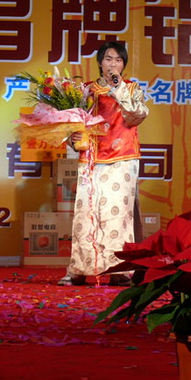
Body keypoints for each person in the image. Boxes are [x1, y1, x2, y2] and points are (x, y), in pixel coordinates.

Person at [58, 41, 149, 286]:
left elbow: (137, 115)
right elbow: (73, 123)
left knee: (117, 216)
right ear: (100, 62)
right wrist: (72, 138)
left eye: (118, 60)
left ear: (123, 65)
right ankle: (78, 269)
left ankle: (119, 271)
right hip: (91, 158)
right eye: (108, 59)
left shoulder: (132, 88)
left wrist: (118, 88)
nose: (113, 64)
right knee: (86, 215)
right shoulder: (86, 90)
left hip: (122, 157)